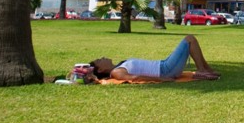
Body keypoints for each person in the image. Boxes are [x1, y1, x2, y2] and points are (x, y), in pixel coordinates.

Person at [88, 35, 219, 83]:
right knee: (189, 39)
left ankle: (207, 70)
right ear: (101, 69)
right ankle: (202, 70)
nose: (103, 57)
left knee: (191, 40)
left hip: (164, 65)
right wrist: (162, 79)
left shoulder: (118, 66)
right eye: (100, 60)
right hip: (165, 70)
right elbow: (135, 78)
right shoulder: (116, 72)